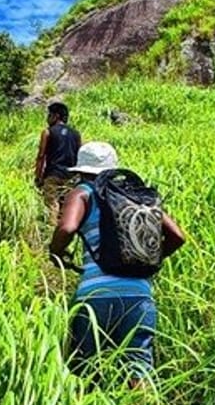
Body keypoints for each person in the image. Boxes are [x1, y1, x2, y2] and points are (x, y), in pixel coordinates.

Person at [47, 142, 186, 387]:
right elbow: (177, 236)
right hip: (140, 295)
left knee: (84, 370)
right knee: (139, 368)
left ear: (81, 170)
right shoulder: (134, 195)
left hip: (96, 296)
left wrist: (55, 252)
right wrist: (149, 261)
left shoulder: (82, 192)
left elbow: (67, 227)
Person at [34, 101, 81, 223]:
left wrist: (38, 177)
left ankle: (51, 233)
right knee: (66, 208)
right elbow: (79, 156)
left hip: (53, 175)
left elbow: (41, 156)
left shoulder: (48, 132)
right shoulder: (76, 134)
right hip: (70, 176)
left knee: (51, 206)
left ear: (56, 116)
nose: (47, 118)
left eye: (49, 115)